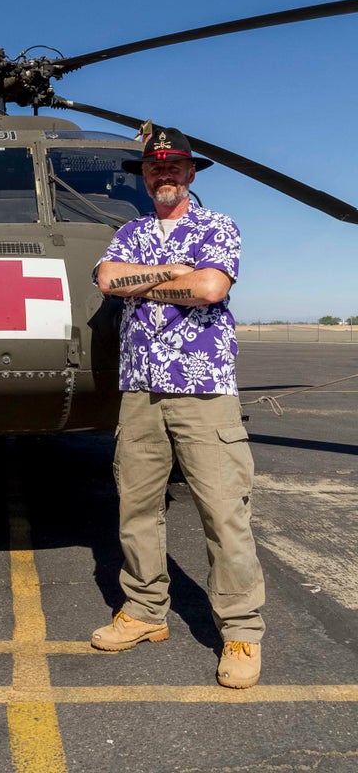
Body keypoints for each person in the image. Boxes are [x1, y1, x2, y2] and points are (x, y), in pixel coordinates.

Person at [90, 127, 264, 689]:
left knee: (223, 513)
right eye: (154, 167)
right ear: (145, 175)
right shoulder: (130, 230)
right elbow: (108, 279)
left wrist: (148, 282)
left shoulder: (217, 226)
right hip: (140, 390)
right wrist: (173, 274)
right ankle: (144, 612)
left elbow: (212, 288)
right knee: (137, 509)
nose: (164, 174)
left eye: (174, 167)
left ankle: (240, 630)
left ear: (191, 173)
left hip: (204, 389)